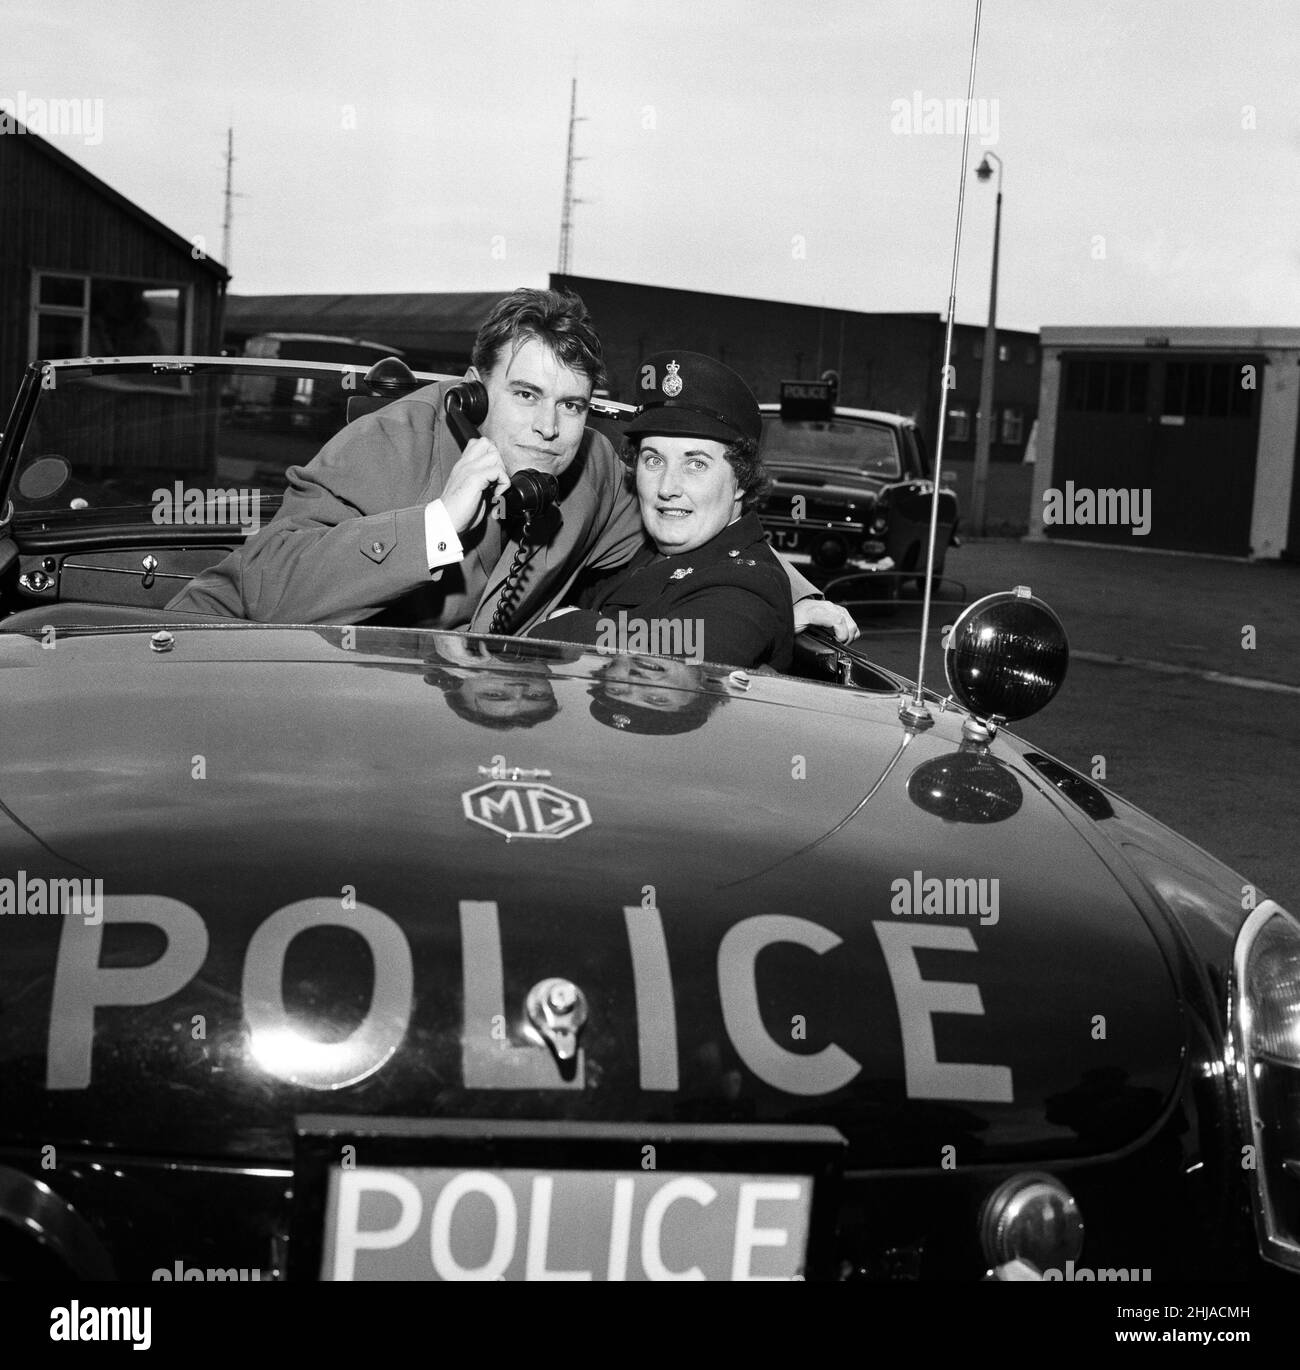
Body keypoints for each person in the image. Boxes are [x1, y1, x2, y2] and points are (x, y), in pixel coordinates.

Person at [167, 288, 859, 643]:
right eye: (525, 396)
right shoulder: (394, 441)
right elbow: (270, 590)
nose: (549, 428)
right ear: (475, 391)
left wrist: (793, 596)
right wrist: (436, 523)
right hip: (223, 657)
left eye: (573, 405)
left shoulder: (587, 471)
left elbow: (684, 517)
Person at [527, 351, 792, 671]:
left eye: (696, 464)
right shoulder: (640, 549)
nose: (667, 487)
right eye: (654, 460)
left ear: (741, 481)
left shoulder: (747, 584)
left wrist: (569, 626)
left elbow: (678, 653)